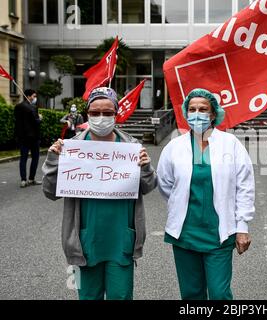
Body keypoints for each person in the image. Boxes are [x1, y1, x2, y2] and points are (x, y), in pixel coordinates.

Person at [42, 87, 158, 300]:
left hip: (121, 240)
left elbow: (148, 187)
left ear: (116, 114)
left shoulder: (130, 147)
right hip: (85, 242)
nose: (101, 118)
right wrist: (53, 161)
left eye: (107, 113)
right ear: (87, 114)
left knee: (121, 296)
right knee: (88, 297)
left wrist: (145, 168)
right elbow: (50, 192)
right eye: (95, 113)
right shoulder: (72, 148)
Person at [157, 88, 255, 300]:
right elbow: (165, 184)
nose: (197, 113)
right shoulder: (174, 147)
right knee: (191, 294)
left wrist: (242, 227)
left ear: (213, 114)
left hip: (219, 233)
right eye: (192, 109)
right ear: (186, 113)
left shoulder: (231, 144)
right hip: (185, 233)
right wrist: (179, 204)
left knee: (219, 294)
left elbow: (245, 186)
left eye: (203, 109)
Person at [14, 89, 42, 188]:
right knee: (35, 158)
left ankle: (23, 180)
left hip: (22, 137)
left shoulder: (17, 107)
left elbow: (17, 122)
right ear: (29, 96)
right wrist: (40, 118)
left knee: (23, 158)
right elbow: (36, 122)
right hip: (33, 138)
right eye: (34, 96)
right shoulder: (33, 107)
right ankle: (31, 179)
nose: (35, 98)